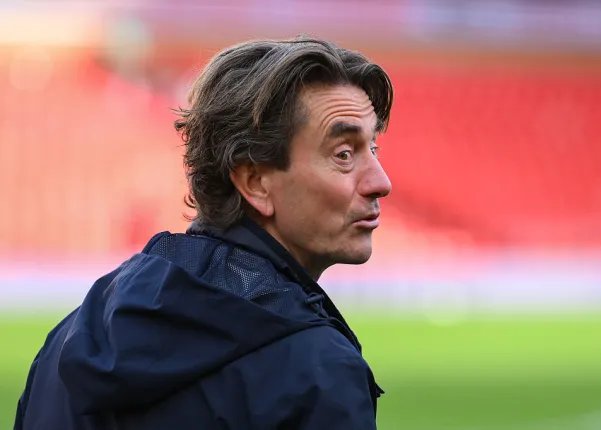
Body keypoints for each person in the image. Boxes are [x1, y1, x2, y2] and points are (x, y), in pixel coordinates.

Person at [14, 37, 393, 430]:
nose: (381, 182)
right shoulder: (317, 372)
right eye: (343, 154)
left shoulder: (67, 343)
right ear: (255, 182)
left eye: (374, 149)